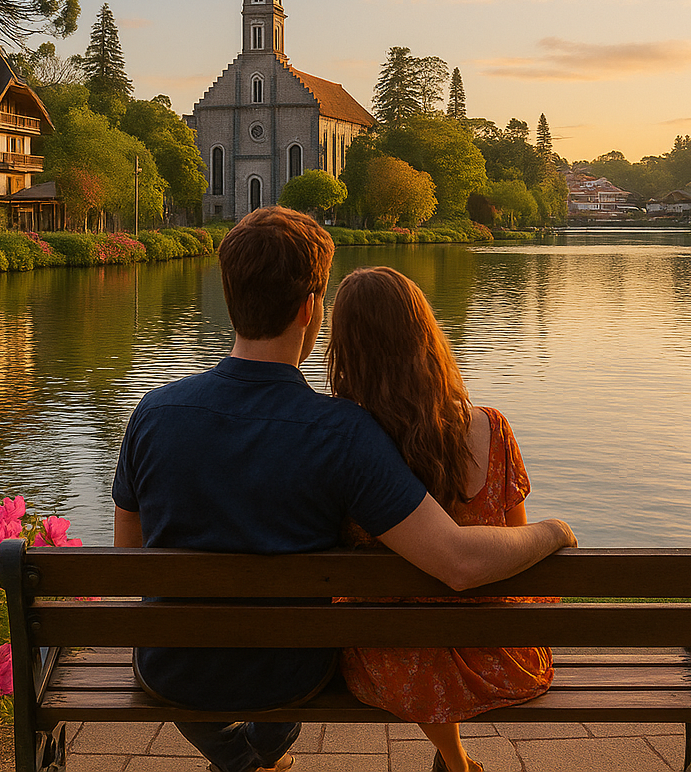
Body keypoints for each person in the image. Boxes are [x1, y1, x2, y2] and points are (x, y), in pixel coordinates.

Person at [111, 207, 575, 772]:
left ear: (230, 297)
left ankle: (240, 760)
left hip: (170, 669)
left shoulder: (153, 413)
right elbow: (456, 561)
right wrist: (556, 530)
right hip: (294, 673)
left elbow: (128, 557)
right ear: (310, 309)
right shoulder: (342, 433)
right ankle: (257, 759)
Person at [326, 266, 555, 772]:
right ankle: (455, 763)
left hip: (384, 660)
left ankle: (455, 761)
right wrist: (555, 533)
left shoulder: (344, 443)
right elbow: (516, 547)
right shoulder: (491, 430)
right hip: (498, 657)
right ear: (425, 333)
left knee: (413, 632)